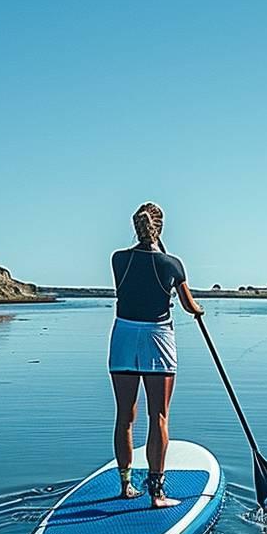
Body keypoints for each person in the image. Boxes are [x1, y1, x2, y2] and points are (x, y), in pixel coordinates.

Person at [109, 203, 203, 507]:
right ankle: (157, 493)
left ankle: (126, 486)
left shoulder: (118, 259)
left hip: (123, 336)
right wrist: (199, 310)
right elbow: (189, 305)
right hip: (157, 337)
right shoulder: (172, 264)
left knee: (125, 416)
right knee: (158, 416)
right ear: (159, 228)